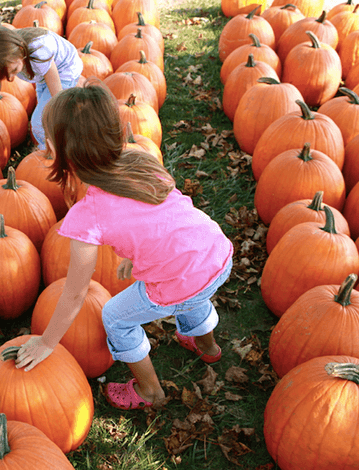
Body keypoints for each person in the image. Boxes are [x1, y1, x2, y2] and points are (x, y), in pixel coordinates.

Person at [15, 84, 234, 409]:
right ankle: (209, 348)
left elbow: (76, 293)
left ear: (56, 149)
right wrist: (138, 257)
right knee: (194, 291)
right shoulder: (139, 157)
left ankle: (150, 392)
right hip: (215, 253)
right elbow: (161, 217)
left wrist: (47, 342)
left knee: (116, 316)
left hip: (179, 279)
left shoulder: (87, 216)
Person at [0, 25, 83, 149]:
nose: (11, 78)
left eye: (14, 70)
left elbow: (58, 97)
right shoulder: (0, 59)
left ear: (20, 50)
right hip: (41, 74)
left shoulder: (39, 51)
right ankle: (54, 147)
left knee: (41, 122)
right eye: (6, 75)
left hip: (65, 70)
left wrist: (58, 115)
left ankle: (55, 152)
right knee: (45, 115)